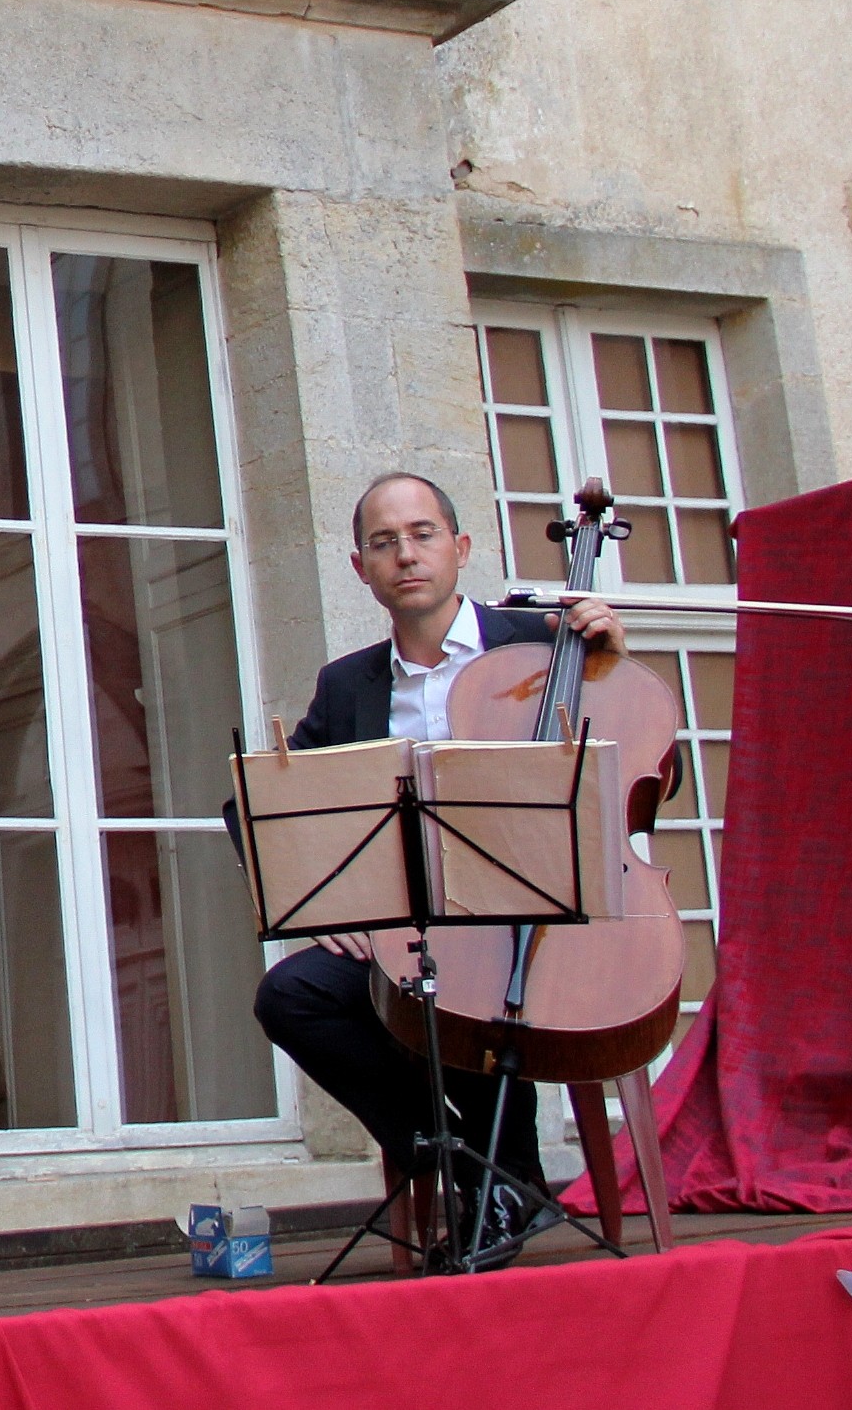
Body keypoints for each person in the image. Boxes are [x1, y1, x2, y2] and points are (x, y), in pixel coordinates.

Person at [249, 470, 626, 1257]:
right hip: (411, 932)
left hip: (538, 917)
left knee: (473, 979)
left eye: (421, 535)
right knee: (290, 995)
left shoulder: (536, 643)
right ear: (360, 568)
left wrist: (613, 669)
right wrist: (336, 911)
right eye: (383, 542)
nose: (405, 554)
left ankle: (500, 1183)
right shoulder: (348, 683)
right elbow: (268, 807)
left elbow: (650, 776)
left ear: (458, 548)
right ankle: (452, 1157)